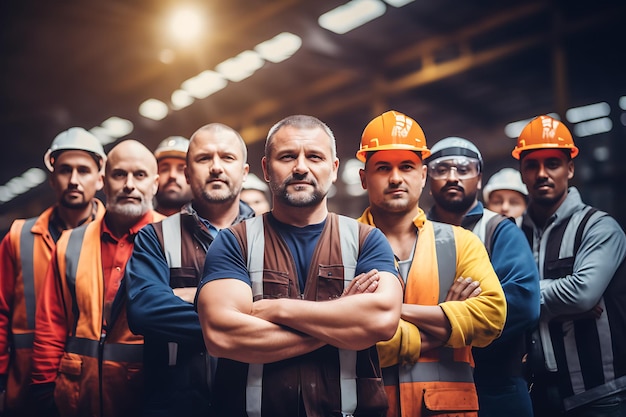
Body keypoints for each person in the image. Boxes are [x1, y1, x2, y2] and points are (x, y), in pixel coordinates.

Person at [196, 114, 403, 417]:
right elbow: (222, 335)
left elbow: (381, 320)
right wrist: (343, 319)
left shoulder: (366, 240)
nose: (301, 167)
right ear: (267, 169)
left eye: (314, 157)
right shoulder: (233, 242)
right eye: (288, 156)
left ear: (333, 169)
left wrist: (277, 310)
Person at [356, 110, 507, 417]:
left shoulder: (460, 242)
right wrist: (447, 318)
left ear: (422, 175)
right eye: (383, 167)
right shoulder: (342, 247)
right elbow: (342, 340)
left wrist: (390, 313)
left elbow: (492, 317)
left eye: (407, 166)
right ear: (363, 178)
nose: (396, 177)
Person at [125, 124, 254, 417]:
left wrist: (183, 296)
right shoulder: (154, 237)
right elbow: (144, 310)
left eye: (227, 158)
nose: (216, 167)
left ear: (244, 172)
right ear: (187, 173)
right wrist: (240, 317)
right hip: (174, 404)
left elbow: (292, 308)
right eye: (204, 158)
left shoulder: (271, 237)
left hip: (252, 403)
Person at [31, 140, 165, 417]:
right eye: (119, 175)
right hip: (77, 396)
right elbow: (50, 324)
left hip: (150, 396)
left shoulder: (175, 239)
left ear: (155, 183)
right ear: (104, 181)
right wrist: (43, 391)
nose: (129, 185)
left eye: (139, 175)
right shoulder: (70, 244)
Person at [512, 115, 626, 416]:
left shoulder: (599, 227)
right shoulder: (511, 235)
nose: (542, 173)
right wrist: (558, 300)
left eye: (553, 163)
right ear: (522, 172)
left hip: (600, 396)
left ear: (570, 169)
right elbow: (492, 304)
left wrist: (519, 298)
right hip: (534, 395)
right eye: (531, 165)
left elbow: (582, 294)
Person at [425, 136, 540, 417]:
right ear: (426, 178)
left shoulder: (499, 230)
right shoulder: (415, 233)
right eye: (441, 169)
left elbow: (523, 303)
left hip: (498, 388)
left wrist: (441, 319)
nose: (452, 177)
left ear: (478, 178)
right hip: (429, 386)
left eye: (463, 169)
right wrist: (467, 311)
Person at [0, 127, 106, 417]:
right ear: (52, 178)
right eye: (65, 170)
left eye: (83, 170)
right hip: (24, 387)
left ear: (99, 180)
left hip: (92, 387)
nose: (73, 180)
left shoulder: (114, 239)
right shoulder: (19, 236)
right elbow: (0, 312)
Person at [153, 136, 193, 216]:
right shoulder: (141, 226)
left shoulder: (208, 225)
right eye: (164, 169)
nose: (172, 175)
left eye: (181, 169)